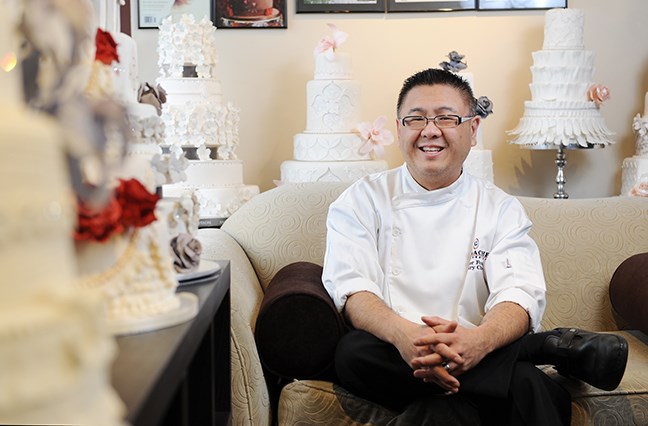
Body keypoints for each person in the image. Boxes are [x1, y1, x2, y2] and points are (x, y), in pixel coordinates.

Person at [322, 68, 628, 425]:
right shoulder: (362, 199)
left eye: (446, 118)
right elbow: (353, 288)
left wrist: (480, 342)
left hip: (478, 343)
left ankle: (449, 399)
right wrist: (405, 336)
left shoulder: (500, 208)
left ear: (473, 129)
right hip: (392, 346)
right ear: (400, 128)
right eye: (415, 119)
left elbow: (518, 292)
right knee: (353, 353)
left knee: (494, 395)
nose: (430, 130)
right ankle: (542, 348)